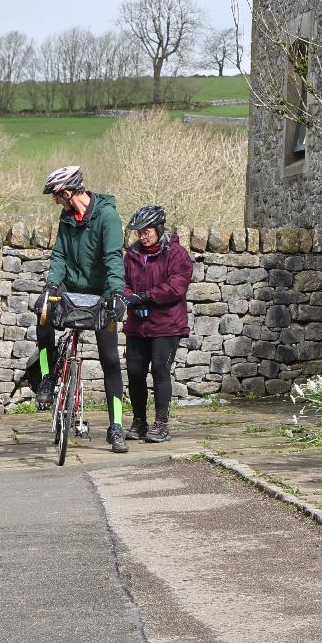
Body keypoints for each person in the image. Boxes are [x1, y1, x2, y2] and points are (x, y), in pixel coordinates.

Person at [32, 165, 131, 453]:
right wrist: (51, 286)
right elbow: (60, 255)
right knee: (43, 313)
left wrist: (115, 293)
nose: (54, 201)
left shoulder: (108, 217)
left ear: (66, 192)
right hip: (71, 287)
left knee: (110, 358)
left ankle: (116, 428)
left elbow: (114, 258)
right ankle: (48, 377)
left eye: (55, 195)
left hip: (101, 292)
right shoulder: (66, 219)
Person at [122, 204, 192, 443]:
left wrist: (145, 296)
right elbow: (122, 282)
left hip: (167, 324)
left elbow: (176, 286)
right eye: (139, 231)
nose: (143, 235)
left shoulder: (176, 253)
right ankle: (139, 421)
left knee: (160, 370)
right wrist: (130, 297)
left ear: (159, 228)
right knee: (134, 373)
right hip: (137, 324)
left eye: (147, 230)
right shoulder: (131, 255)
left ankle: (161, 423)